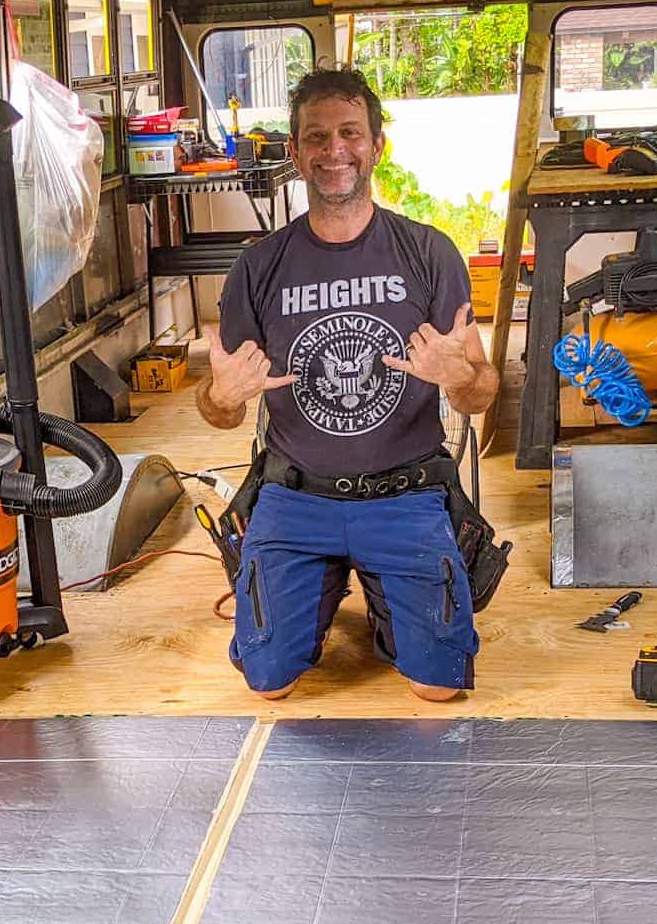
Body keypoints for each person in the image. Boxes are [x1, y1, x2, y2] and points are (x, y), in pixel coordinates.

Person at [196, 67, 500, 701]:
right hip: (295, 497)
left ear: (377, 145)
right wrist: (220, 398)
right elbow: (218, 409)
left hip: (406, 496)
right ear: (294, 152)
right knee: (269, 682)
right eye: (316, 136)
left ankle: (381, 592)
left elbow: (482, 392)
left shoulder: (428, 252)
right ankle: (323, 579)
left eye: (350, 133)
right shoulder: (259, 265)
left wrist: (462, 377)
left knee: (436, 688)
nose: (334, 150)